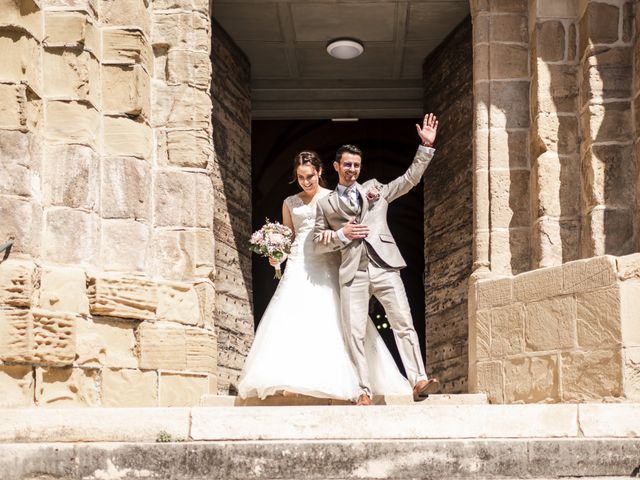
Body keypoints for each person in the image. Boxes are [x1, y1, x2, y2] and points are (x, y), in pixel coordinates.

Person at [237, 151, 411, 401]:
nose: (306, 182)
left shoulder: (333, 198)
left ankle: (353, 380)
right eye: (300, 178)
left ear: (320, 172)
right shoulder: (289, 202)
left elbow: (346, 231)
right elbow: (289, 236)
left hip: (328, 261)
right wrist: (278, 255)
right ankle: (294, 377)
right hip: (299, 263)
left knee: (334, 315)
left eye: (309, 176)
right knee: (294, 316)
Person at [313, 113, 440, 406]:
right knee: (354, 333)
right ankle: (363, 392)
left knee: (403, 323)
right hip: (352, 273)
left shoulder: (376, 190)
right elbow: (319, 243)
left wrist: (425, 148)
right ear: (336, 166)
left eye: (356, 165)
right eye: (347, 164)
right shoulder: (326, 205)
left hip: (385, 267)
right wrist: (342, 234)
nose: (352, 170)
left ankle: (418, 380)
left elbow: (408, 180)